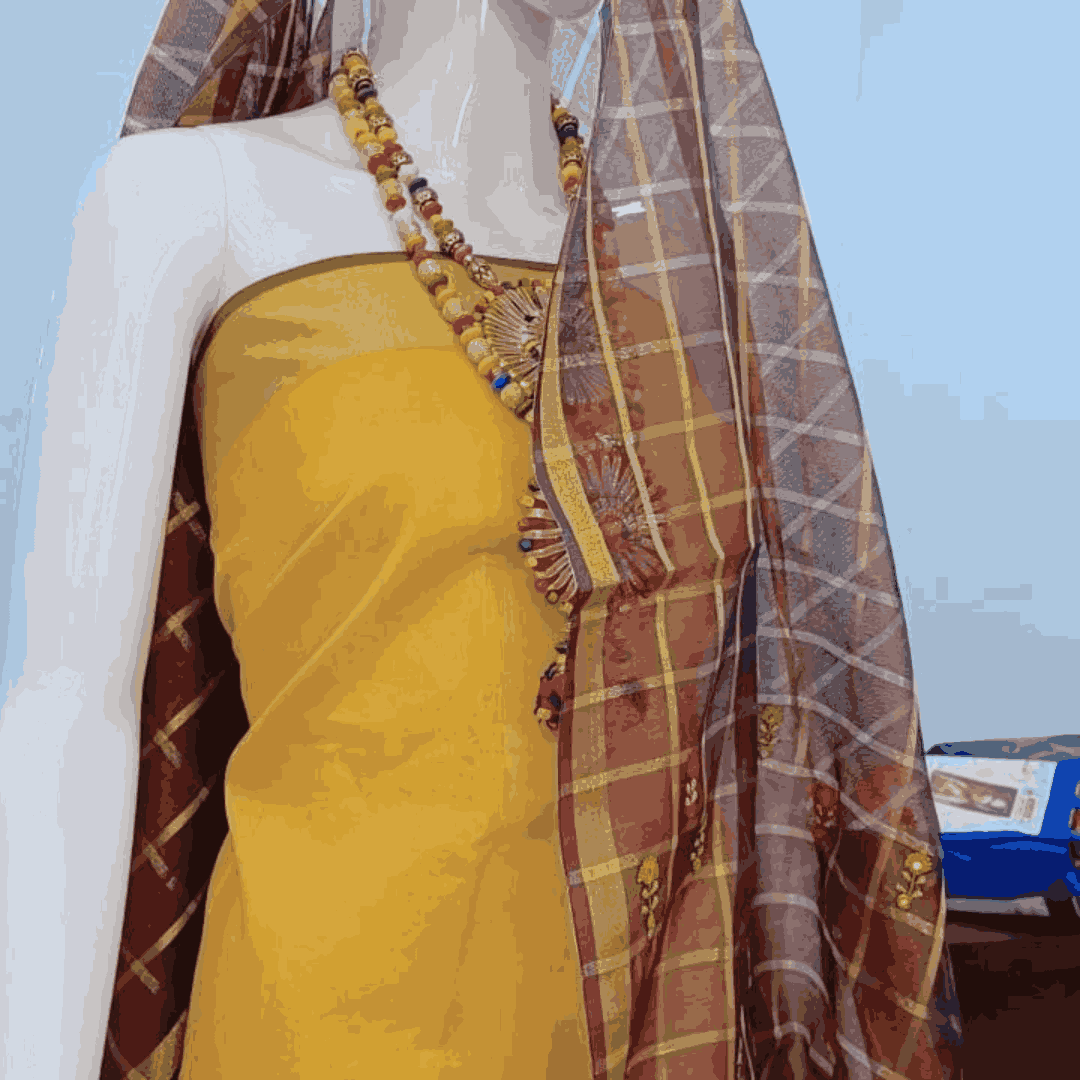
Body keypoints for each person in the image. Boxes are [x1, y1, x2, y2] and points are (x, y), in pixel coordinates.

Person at [0, 1, 964, 1077]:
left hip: (639, 1030)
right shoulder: (195, 203)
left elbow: (752, 711)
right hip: (326, 1025)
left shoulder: (671, 268)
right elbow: (70, 705)